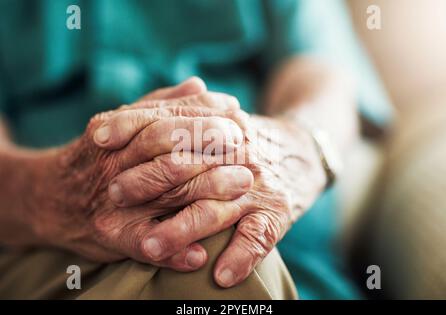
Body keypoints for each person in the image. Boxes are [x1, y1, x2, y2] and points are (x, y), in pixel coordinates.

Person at [0, 0, 392, 299]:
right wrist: (57, 192)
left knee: (216, 226)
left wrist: (292, 151)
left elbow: (321, 74)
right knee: (204, 244)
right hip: (54, 259)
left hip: (292, 264)